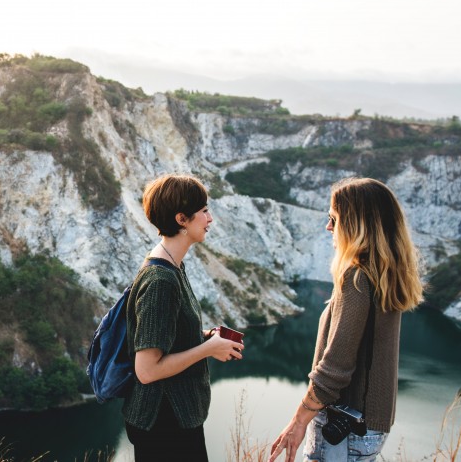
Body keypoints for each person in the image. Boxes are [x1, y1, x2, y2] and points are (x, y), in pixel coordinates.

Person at [269, 177, 423, 462]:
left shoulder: (356, 277)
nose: (328, 227)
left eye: (334, 219)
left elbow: (335, 367)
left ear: (356, 224)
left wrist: (299, 419)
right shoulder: (385, 275)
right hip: (370, 426)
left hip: (343, 427)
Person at [123, 173, 245, 461]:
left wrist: (204, 339)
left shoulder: (172, 266)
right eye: (203, 211)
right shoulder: (161, 280)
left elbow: (166, 339)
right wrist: (208, 349)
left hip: (174, 417)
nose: (210, 219)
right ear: (182, 219)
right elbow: (147, 370)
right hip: (163, 422)